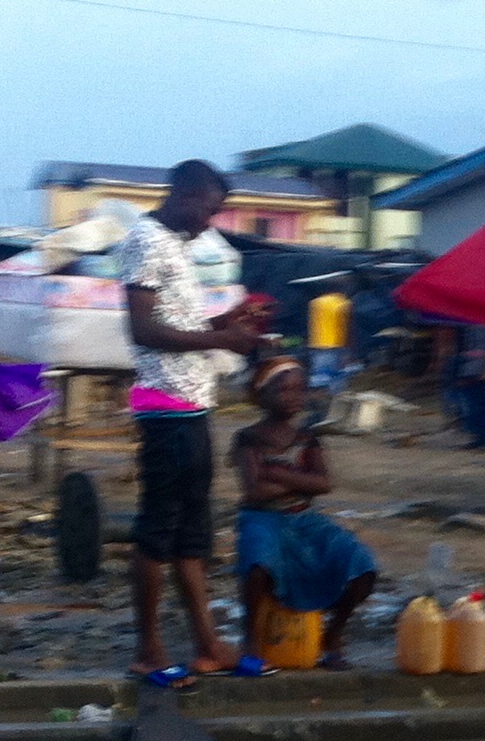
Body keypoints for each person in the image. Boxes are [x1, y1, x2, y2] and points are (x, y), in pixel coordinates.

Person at [119, 160, 268, 686]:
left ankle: (207, 643)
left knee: (191, 532)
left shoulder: (176, 247)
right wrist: (220, 340)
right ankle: (149, 651)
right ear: (182, 194)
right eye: (208, 209)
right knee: (157, 529)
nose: (211, 222)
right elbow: (142, 330)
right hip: (163, 407)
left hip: (192, 405)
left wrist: (224, 325)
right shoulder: (145, 239)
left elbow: (178, 327)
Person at [232, 358, 379, 671]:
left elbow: (324, 483)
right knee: (257, 560)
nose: (293, 396)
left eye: (299, 389)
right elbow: (254, 491)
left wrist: (278, 474)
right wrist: (301, 482)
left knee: (361, 564)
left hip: (304, 518)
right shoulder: (248, 438)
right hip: (263, 517)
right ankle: (250, 638)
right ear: (261, 394)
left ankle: (333, 635)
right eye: (283, 389)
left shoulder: (307, 437)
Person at [305, 280, 352, 397]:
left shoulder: (315, 303)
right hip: (336, 345)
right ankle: (335, 400)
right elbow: (346, 327)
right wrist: (349, 349)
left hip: (316, 344)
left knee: (318, 376)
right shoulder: (343, 303)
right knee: (337, 375)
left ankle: (314, 399)